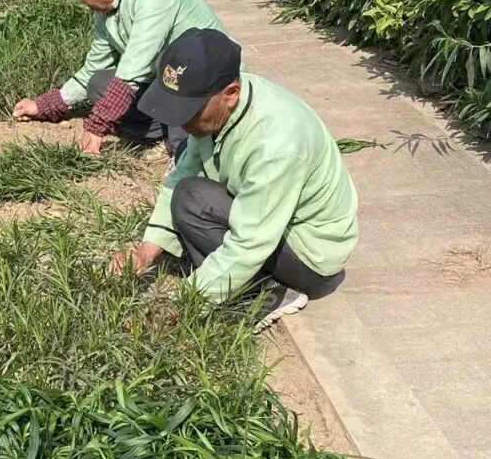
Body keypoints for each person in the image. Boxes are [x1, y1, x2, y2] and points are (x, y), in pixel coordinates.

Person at [111, 28, 358, 330]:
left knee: (193, 199)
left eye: (190, 111)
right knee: (187, 189)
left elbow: (250, 241)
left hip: (309, 258)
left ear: (231, 94)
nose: (181, 122)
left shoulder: (277, 144)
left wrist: (184, 302)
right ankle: (232, 280)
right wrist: (146, 252)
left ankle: (265, 295)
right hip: (274, 224)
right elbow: (183, 173)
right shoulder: (223, 107)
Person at [13, 0, 233, 156]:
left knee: (180, 130)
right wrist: (46, 105)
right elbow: (94, 67)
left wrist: (98, 125)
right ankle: (165, 129)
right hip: (166, 80)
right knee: (98, 84)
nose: (81, 1)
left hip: (206, 85)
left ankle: (185, 150)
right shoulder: (105, 12)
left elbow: (132, 71)